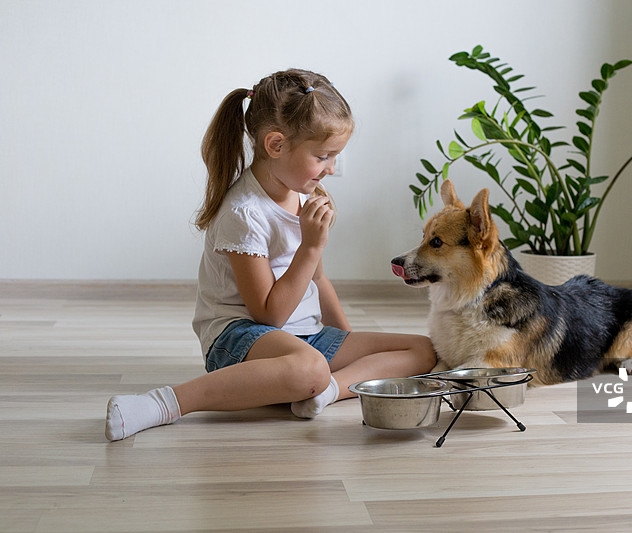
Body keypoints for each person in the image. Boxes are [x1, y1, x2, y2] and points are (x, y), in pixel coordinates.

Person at [105, 69, 436, 441]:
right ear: (275, 145)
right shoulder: (243, 213)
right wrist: (312, 245)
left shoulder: (303, 193)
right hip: (240, 339)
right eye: (323, 156)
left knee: (423, 349)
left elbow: (318, 279)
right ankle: (164, 403)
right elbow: (268, 313)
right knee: (311, 367)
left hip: (305, 339)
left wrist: (346, 341)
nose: (330, 169)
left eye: (334, 158)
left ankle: (324, 392)